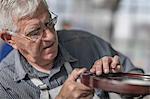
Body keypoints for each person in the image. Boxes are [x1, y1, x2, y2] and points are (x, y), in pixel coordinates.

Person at [0, 0, 143, 99]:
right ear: (9, 39)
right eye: (34, 32)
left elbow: (141, 85)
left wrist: (120, 81)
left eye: (49, 23)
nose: (50, 36)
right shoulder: (4, 83)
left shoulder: (87, 44)